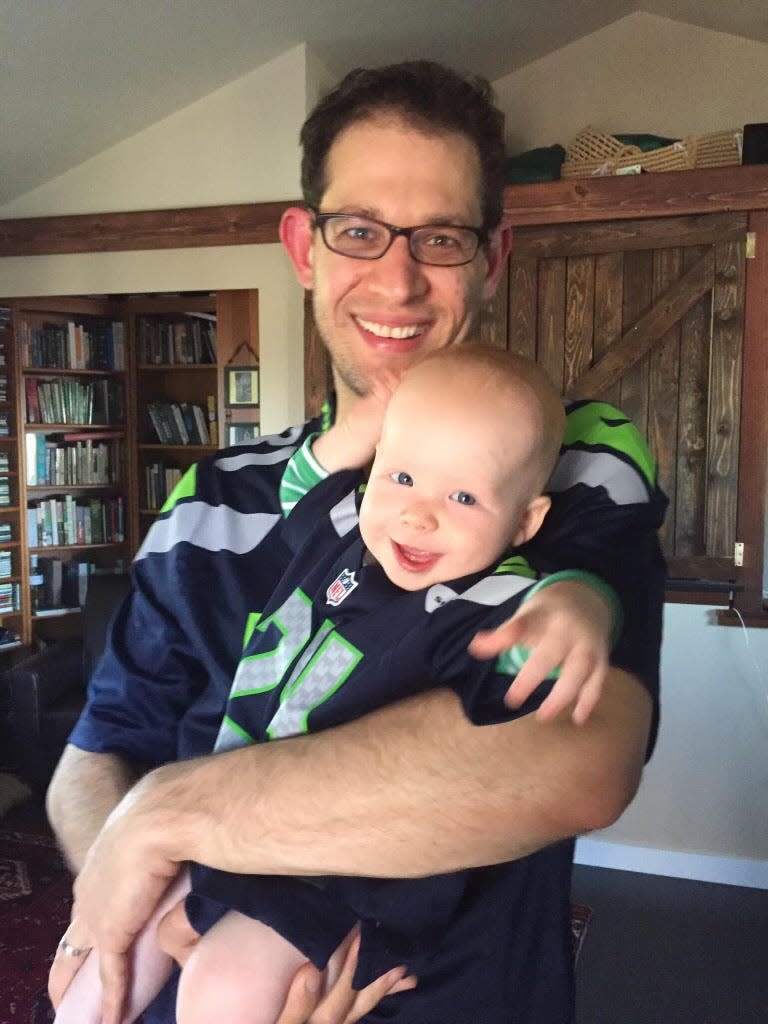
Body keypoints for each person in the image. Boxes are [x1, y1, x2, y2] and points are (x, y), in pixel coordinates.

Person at [47, 60, 666, 1024]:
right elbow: (96, 757)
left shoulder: (572, 469)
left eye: (443, 238)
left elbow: (575, 761)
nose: (399, 277)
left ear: (493, 257)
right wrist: (144, 898)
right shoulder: (209, 499)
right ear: (305, 245)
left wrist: (165, 816)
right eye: (360, 230)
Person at [53, 347, 622, 1024]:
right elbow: (305, 482)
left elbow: (546, 661)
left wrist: (581, 605)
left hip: (332, 873)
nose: (419, 515)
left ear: (524, 522)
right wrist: (370, 419)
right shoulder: (344, 535)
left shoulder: (487, 598)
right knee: (104, 969)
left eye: (463, 496)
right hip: (222, 835)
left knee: (223, 991)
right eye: (403, 475)